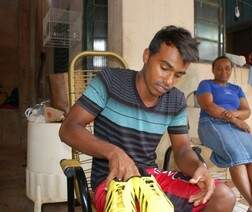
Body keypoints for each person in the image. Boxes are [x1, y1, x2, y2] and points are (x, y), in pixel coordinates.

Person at [59, 26, 236, 212]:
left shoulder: (176, 100)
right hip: (113, 182)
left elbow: (182, 149)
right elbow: (69, 128)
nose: (169, 81)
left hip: (151, 178)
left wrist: (198, 167)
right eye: (164, 68)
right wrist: (113, 152)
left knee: (223, 196)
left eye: (178, 75)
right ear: (146, 56)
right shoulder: (110, 82)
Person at [196, 56, 252, 212]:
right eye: (219, 68)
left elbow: (246, 111)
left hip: (234, 125)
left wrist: (235, 116)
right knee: (237, 156)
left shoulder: (237, 89)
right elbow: (209, 106)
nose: (224, 71)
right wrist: (236, 120)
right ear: (213, 70)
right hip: (211, 124)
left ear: (232, 70)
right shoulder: (206, 84)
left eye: (227, 68)